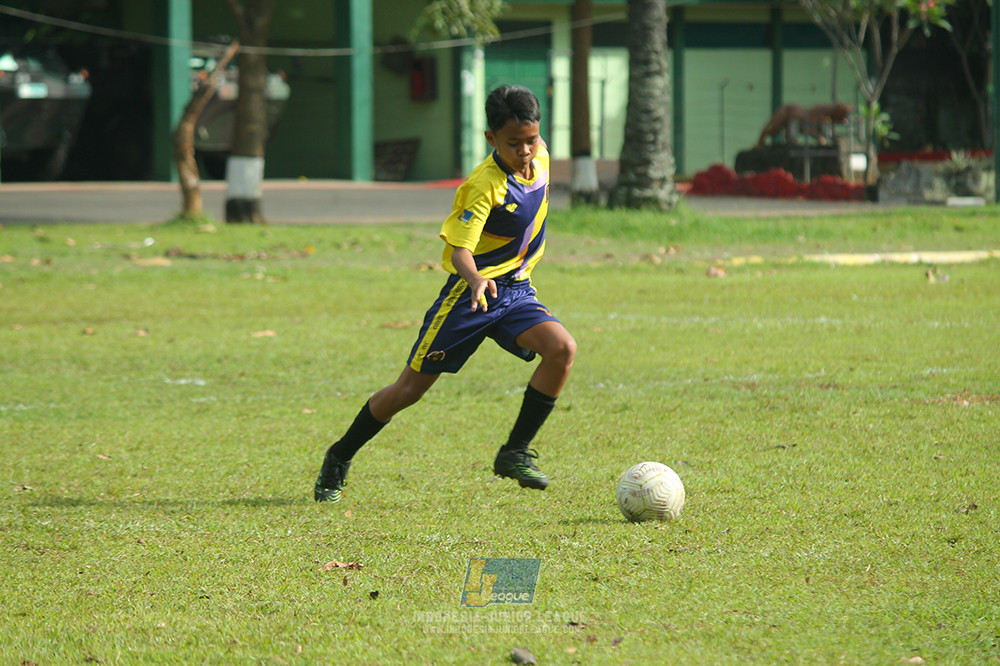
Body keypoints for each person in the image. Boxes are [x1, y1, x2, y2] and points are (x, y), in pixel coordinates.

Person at [314, 84, 576, 503]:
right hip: (469, 297)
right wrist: (475, 280)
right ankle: (339, 455)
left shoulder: (539, 154)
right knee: (408, 392)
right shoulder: (483, 186)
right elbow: (460, 250)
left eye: (530, 140)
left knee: (562, 349)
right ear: (491, 139)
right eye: (513, 144)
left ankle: (514, 452)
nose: (525, 151)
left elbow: (532, 136)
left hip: (515, 291)